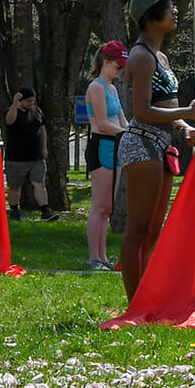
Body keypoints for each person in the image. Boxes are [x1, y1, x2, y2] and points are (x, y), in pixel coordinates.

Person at [118, 0, 195, 300]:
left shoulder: (161, 57)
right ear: (150, 15)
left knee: (154, 231)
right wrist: (189, 111)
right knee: (138, 231)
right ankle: (136, 304)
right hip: (141, 144)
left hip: (161, 144)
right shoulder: (141, 57)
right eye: (168, 5)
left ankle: (149, 296)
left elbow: (167, 109)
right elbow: (141, 110)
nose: (175, 10)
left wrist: (183, 126)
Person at [83, 41, 129, 270]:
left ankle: (102, 257)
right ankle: (94, 257)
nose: (121, 70)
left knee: (108, 207)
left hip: (115, 147)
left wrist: (132, 132)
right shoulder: (97, 87)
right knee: (99, 206)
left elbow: (122, 121)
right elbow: (102, 124)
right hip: (101, 147)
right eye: (118, 66)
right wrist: (127, 133)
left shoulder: (113, 89)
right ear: (106, 62)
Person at [3, 87, 55, 222]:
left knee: (39, 183)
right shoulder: (12, 112)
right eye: (28, 101)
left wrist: (44, 147)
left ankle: (45, 210)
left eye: (33, 101)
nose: (31, 103)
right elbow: (9, 121)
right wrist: (14, 105)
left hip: (36, 156)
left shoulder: (36, 111)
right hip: (16, 158)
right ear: (20, 100)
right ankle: (14, 210)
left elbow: (42, 128)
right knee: (15, 186)